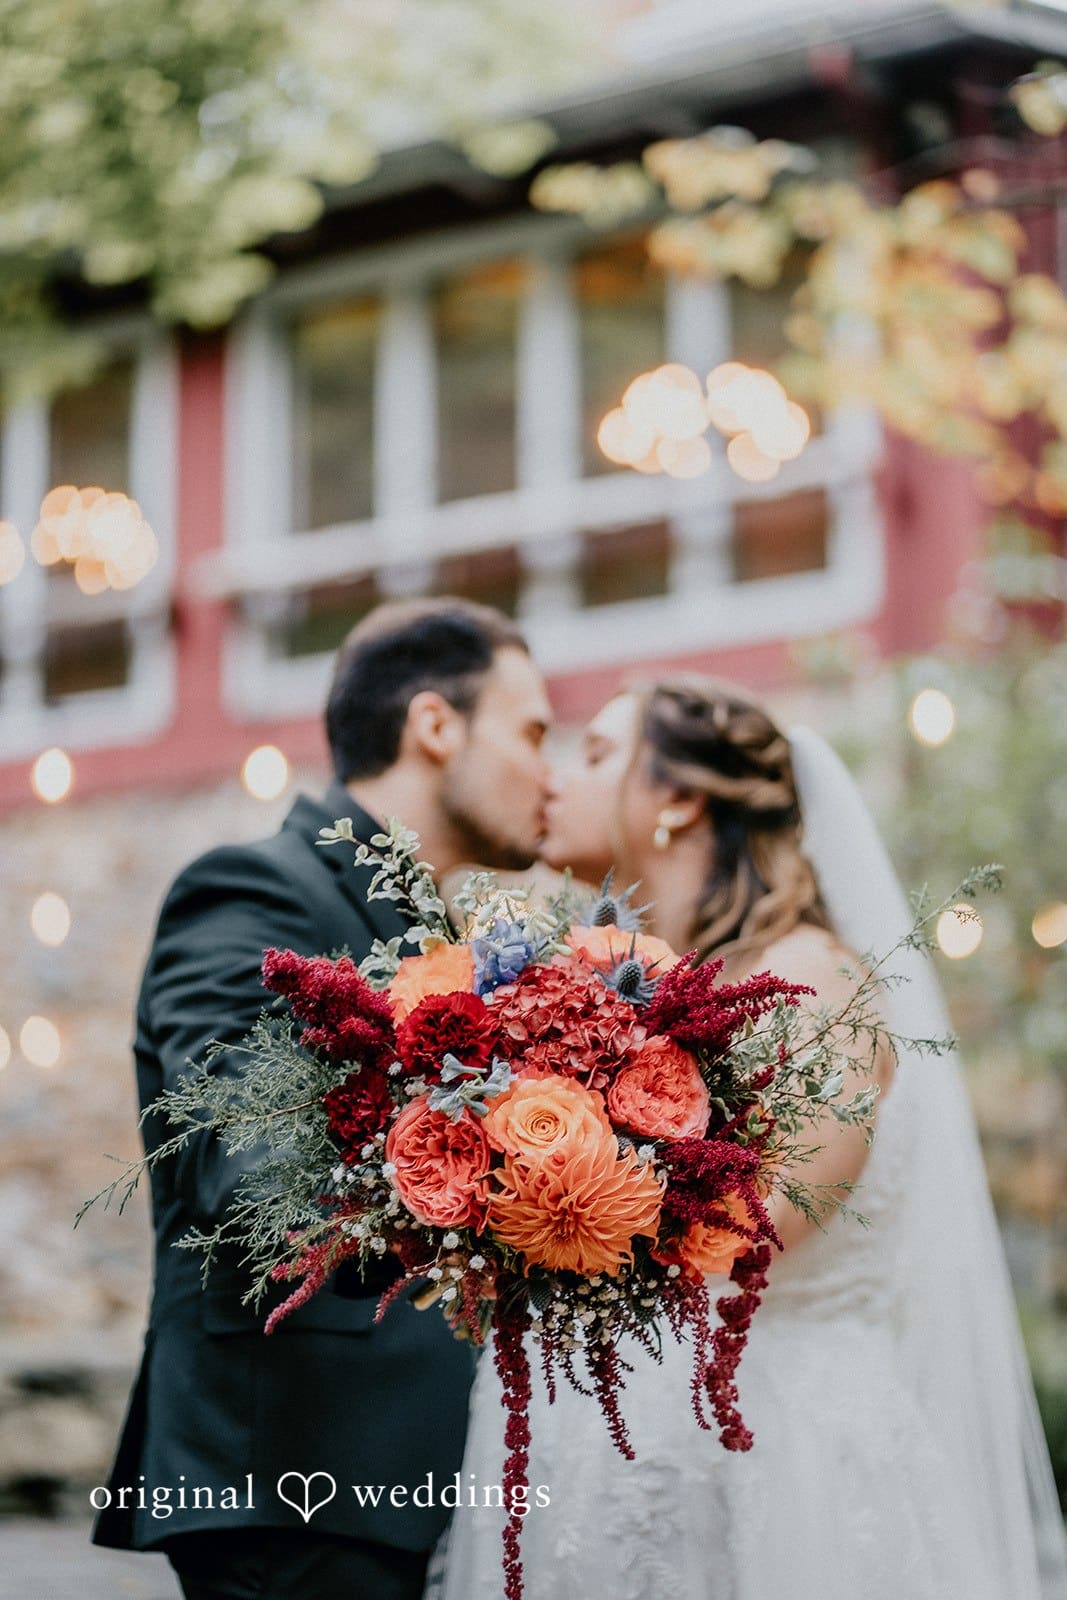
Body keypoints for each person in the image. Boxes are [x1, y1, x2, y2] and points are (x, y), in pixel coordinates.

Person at [440, 677, 1067, 1600]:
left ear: (682, 798)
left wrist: (538, 1196)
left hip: (779, 1465)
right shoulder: (609, 994)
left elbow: (757, 1226)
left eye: (600, 755)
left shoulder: (808, 983)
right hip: (617, 1456)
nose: (555, 784)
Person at [92, 597, 553, 1600]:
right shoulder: (250, 893)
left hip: (434, 1486)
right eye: (531, 733)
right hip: (303, 1482)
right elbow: (250, 1173)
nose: (548, 773)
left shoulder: (458, 949)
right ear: (436, 725)